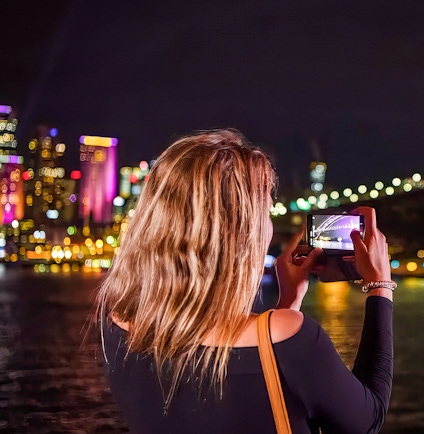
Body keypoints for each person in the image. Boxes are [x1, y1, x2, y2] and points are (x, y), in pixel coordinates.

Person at [94, 129, 394, 433]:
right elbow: (368, 420)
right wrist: (380, 286)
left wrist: (287, 303)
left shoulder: (118, 322)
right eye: (264, 211)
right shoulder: (297, 341)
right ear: (240, 232)